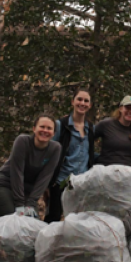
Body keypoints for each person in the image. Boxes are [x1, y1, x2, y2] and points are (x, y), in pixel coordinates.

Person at [0, 115, 62, 218]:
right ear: (34, 129)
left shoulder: (55, 148)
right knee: (15, 223)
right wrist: (19, 204)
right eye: (42, 127)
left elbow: (44, 178)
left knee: (32, 225)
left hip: (27, 192)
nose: (45, 130)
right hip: (4, 186)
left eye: (49, 128)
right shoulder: (23, 141)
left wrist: (31, 203)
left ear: (54, 133)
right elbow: (17, 172)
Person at [44, 88, 95, 223]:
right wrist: (48, 183)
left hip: (81, 184)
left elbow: (89, 155)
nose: (82, 103)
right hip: (61, 182)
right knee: (53, 218)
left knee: (78, 222)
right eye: (79, 99)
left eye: (86, 101)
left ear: (90, 105)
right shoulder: (61, 125)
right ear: (73, 101)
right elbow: (50, 153)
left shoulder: (90, 128)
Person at [94, 95, 131, 166]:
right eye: (127, 108)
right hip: (106, 171)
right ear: (120, 108)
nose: (130, 111)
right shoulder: (106, 124)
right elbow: (86, 140)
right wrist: (93, 158)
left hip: (126, 173)